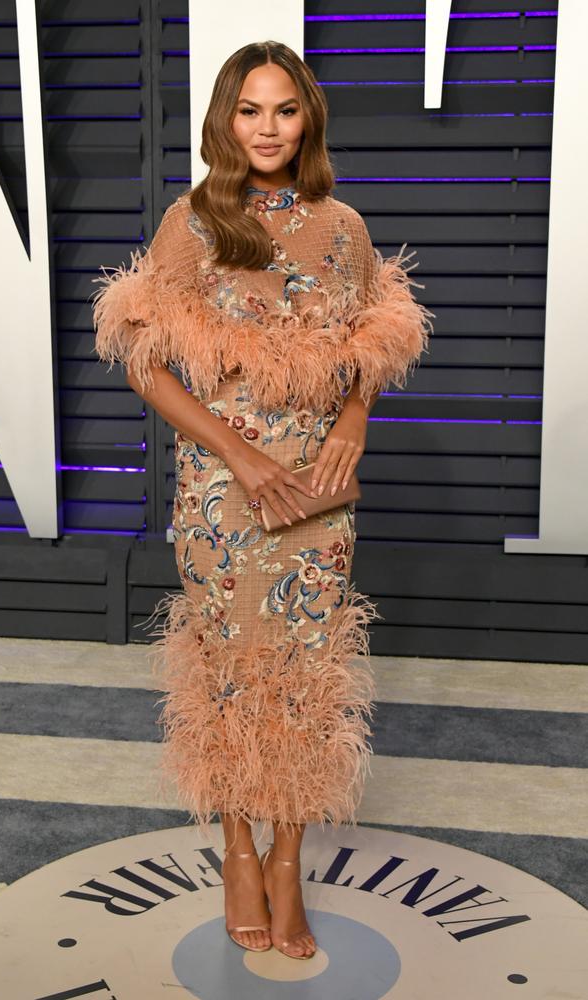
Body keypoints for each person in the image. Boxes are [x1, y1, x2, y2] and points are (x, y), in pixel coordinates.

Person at [91, 40, 433, 961]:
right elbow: (146, 366)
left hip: (319, 491)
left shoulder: (345, 227)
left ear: (307, 118)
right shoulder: (192, 224)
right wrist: (239, 454)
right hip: (224, 490)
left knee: (308, 679)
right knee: (232, 670)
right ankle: (238, 850)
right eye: (250, 110)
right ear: (224, 119)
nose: (269, 128)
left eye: (284, 110)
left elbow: (371, 343)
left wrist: (355, 420)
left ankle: (289, 862)